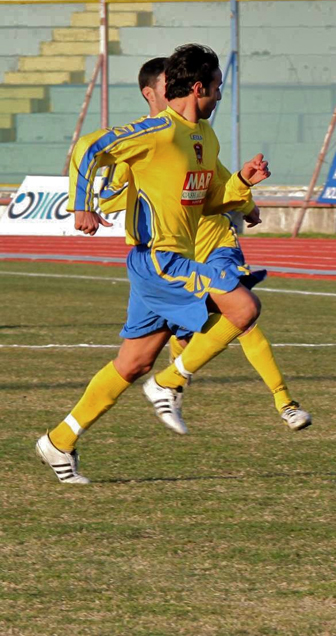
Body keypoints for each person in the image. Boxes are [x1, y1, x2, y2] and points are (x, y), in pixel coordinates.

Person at [36, 44, 271, 484]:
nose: (220, 96)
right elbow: (90, 147)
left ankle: (59, 440)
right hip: (158, 260)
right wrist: (81, 205)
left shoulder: (205, 137)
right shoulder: (158, 131)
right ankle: (169, 384)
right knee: (244, 307)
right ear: (198, 87)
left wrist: (241, 183)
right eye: (217, 87)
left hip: (169, 262)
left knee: (134, 363)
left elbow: (209, 203)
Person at [98, 57, 311, 435]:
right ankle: (64, 438)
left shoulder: (198, 135)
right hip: (165, 255)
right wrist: (123, 191)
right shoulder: (143, 142)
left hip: (212, 241)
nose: (176, 91)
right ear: (152, 93)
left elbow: (216, 181)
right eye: (168, 85)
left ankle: (282, 400)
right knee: (141, 358)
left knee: (241, 311)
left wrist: (245, 195)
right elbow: (110, 195)